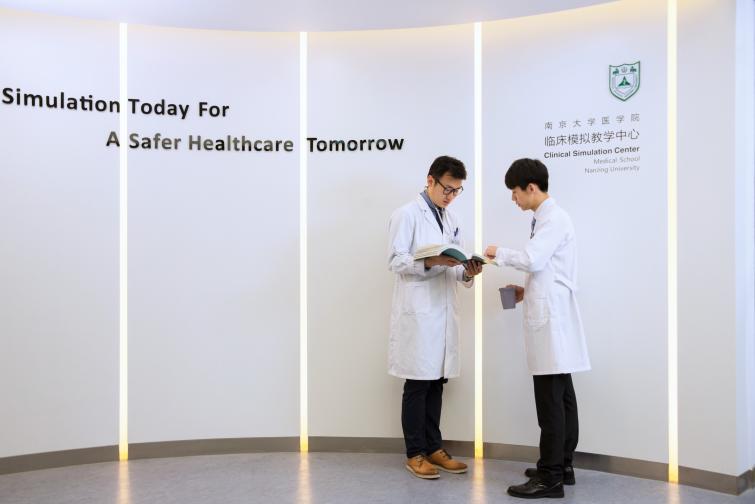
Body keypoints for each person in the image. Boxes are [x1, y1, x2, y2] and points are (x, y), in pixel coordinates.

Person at [485, 158, 590, 499]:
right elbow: (548, 270)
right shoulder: (545, 219)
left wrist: (497, 253)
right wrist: (525, 291)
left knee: (551, 402)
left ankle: (550, 477)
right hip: (552, 313)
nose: (513, 199)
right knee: (562, 396)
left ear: (531, 188)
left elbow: (533, 259)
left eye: (514, 192)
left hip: (552, 320)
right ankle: (561, 465)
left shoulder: (554, 218)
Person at [387, 155, 482, 479]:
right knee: (417, 384)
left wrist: (467, 271)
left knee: (437, 383)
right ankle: (415, 453)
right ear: (430, 180)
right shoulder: (406, 215)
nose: (451, 196)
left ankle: (434, 447)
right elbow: (395, 261)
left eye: (456, 191)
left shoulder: (451, 218)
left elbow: (454, 268)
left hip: (442, 312)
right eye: (447, 189)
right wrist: (431, 261)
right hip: (418, 313)